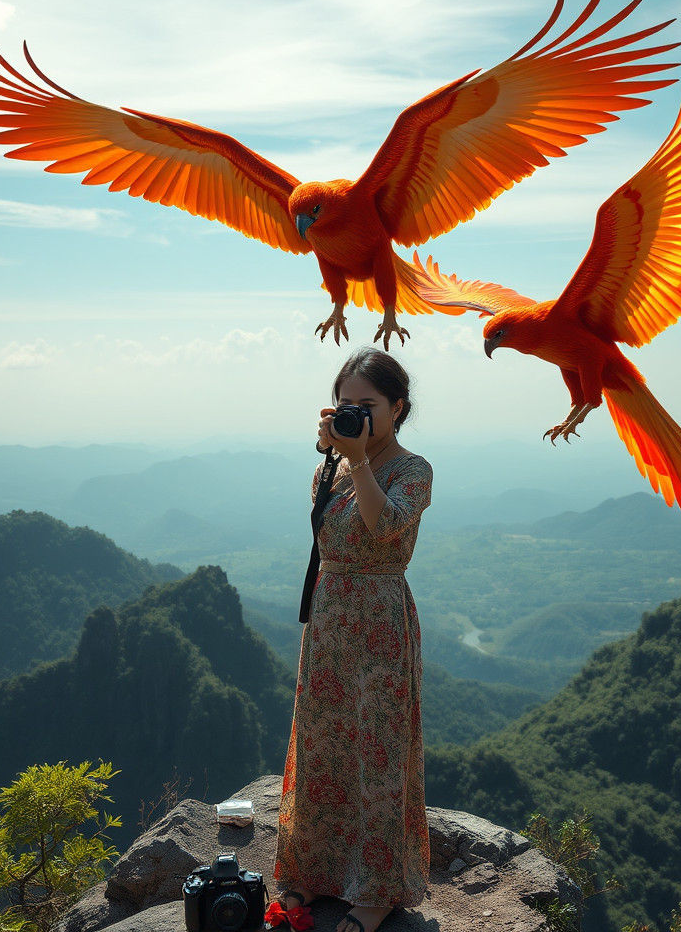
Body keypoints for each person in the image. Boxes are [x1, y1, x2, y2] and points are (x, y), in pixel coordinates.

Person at [273, 347, 432, 932]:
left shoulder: (414, 471)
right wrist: (338, 456)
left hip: (381, 620)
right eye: (345, 404)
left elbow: (383, 525)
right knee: (322, 744)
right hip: (329, 618)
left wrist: (358, 459)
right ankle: (314, 871)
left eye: (368, 405)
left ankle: (379, 889)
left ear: (398, 408)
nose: (355, 414)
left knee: (378, 751)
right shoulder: (329, 469)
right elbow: (328, 538)